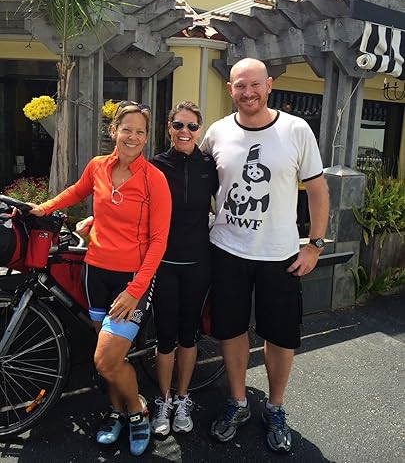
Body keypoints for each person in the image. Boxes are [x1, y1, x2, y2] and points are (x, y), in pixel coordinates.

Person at [200, 58, 329, 454]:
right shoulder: (217, 132)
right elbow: (195, 179)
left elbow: (318, 189)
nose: (248, 92)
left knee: (279, 335)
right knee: (231, 329)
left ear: (269, 85)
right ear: (230, 89)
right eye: (240, 86)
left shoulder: (296, 129)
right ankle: (238, 402)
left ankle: (275, 407)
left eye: (255, 84)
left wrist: (315, 244)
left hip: (280, 254)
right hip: (227, 250)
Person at [28, 102, 172, 457]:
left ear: (146, 137)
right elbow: (76, 192)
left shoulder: (154, 179)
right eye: (127, 130)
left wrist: (135, 290)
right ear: (114, 131)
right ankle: (116, 411)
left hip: (131, 280)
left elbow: (159, 241)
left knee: (106, 359)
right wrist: (43, 208)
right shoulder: (98, 166)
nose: (133, 137)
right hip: (95, 272)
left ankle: (137, 410)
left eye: (140, 132)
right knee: (108, 358)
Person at [148, 101, 218, 437]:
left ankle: (182, 398)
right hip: (163, 264)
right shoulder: (155, 165)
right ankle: (162, 401)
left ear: (199, 130)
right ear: (169, 129)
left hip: (198, 263)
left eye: (191, 126)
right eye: (178, 125)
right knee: (165, 337)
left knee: (188, 335)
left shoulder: (209, 166)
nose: (184, 131)